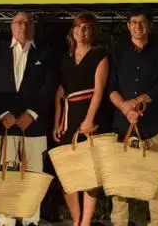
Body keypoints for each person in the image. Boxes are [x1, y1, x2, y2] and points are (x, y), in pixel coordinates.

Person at [0, 12, 58, 226]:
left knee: (34, 175)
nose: (23, 27)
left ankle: (30, 220)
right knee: (4, 174)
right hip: (4, 126)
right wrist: (2, 113)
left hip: (34, 126)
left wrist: (32, 113)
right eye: (18, 23)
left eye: (28, 23)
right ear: (11, 26)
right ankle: (5, 220)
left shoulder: (45, 52)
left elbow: (50, 85)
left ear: (33, 27)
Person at [108, 7, 158, 226]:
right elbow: (111, 87)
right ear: (128, 26)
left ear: (149, 26)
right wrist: (126, 108)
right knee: (119, 178)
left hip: (153, 126)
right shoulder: (117, 53)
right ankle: (120, 223)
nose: (138, 26)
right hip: (123, 126)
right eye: (134, 22)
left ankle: (156, 222)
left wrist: (139, 101)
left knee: (155, 178)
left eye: (142, 22)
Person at [53, 13, 110, 226]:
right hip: (69, 117)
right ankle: (76, 220)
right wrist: (57, 121)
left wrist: (89, 120)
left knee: (89, 174)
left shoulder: (100, 55)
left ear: (92, 31)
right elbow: (60, 93)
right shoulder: (65, 58)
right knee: (67, 174)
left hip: (90, 117)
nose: (81, 31)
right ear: (72, 30)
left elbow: (99, 91)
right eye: (78, 27)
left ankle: (85, 222)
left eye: (86, 27)